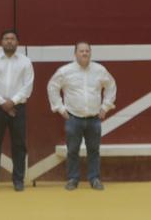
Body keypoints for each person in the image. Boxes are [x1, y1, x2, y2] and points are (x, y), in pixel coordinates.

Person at [47, 41, 117, 191]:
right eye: (81, 51)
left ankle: (95, 178)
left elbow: (111, 86)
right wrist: (60, 108)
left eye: (87, 51)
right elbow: (52, 87)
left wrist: (105, 107)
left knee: (94, 150)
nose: (85, 53)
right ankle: (73, 179)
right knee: (72, 150)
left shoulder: (100, 70)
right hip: (73, 117)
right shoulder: (65, 71)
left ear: (90, 53)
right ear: (75, 53)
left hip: (94, 118)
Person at [0, 29, 35, 193]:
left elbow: (28, 86)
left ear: (17, 43)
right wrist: (3, 103)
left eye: (12, 39)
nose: (9, 41)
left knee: (19, 145)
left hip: (18, 108)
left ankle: (18, 180)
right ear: (1, 42)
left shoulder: (25, 62)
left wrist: (12, 102)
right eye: (6, 38)